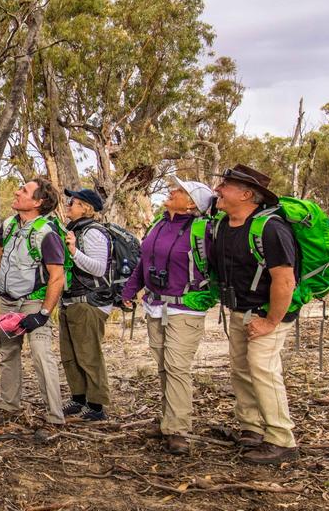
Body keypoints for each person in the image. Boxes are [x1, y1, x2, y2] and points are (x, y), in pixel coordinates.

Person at [209, 164, 299, 464]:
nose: (218, 190)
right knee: (241, 370)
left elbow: (285, 281)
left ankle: (281, 439)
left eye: (226, 185)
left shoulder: (271, 229)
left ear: (247, 194)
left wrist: (270, 321)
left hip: (267, 313)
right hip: (239, 310)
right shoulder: (223, 225)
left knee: (263, 370)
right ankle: (252, 429)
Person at [123, 177, 215, 454]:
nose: (171, 191)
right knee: (164, 365)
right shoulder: (159, 224)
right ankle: (168, 420)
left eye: (179, 191)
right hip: (155, 306)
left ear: (191, 203)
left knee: (177, 367)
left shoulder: (203, 231)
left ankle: (178, 430)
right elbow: (144, 262)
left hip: (185, 309)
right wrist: (129, 290)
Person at [0, 177, 66, 426]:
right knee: (8, 352)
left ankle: (55, 416)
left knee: (41, 354)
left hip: (34, 303)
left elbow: (57, 277)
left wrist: (43, 314)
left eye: (23, 191)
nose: (16, 192)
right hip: (8, 302)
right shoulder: (9, 224)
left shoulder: (47, 233)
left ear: (39, 202)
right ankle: (9, 405)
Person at [59, 188, 114, 422]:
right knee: (70, 355)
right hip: (70, 301)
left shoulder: (93, 233)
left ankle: (96, 405)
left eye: (73, 202)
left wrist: (73, 252)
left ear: (85, 207)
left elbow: (99, 268)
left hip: (89, 303)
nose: (68, 205)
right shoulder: (72, 230)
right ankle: (78, 397)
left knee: (88, 355)